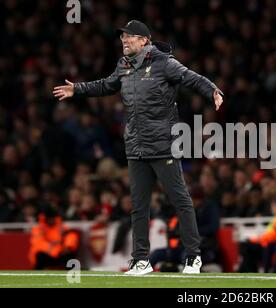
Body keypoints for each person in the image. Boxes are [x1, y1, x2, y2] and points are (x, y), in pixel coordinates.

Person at [53, 20, 224, 275]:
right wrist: (77, 89)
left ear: (144, 40)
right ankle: (141, 260)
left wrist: (213, 91)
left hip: (163, 144)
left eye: (129, 37)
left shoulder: (164, 62)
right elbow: (105, 85)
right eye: (122, 37)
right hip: (136, 145)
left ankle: (193, 257)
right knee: (138, 205)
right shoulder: (124, 65)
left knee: (180, 200)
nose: (124, 40)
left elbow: (192, 78)